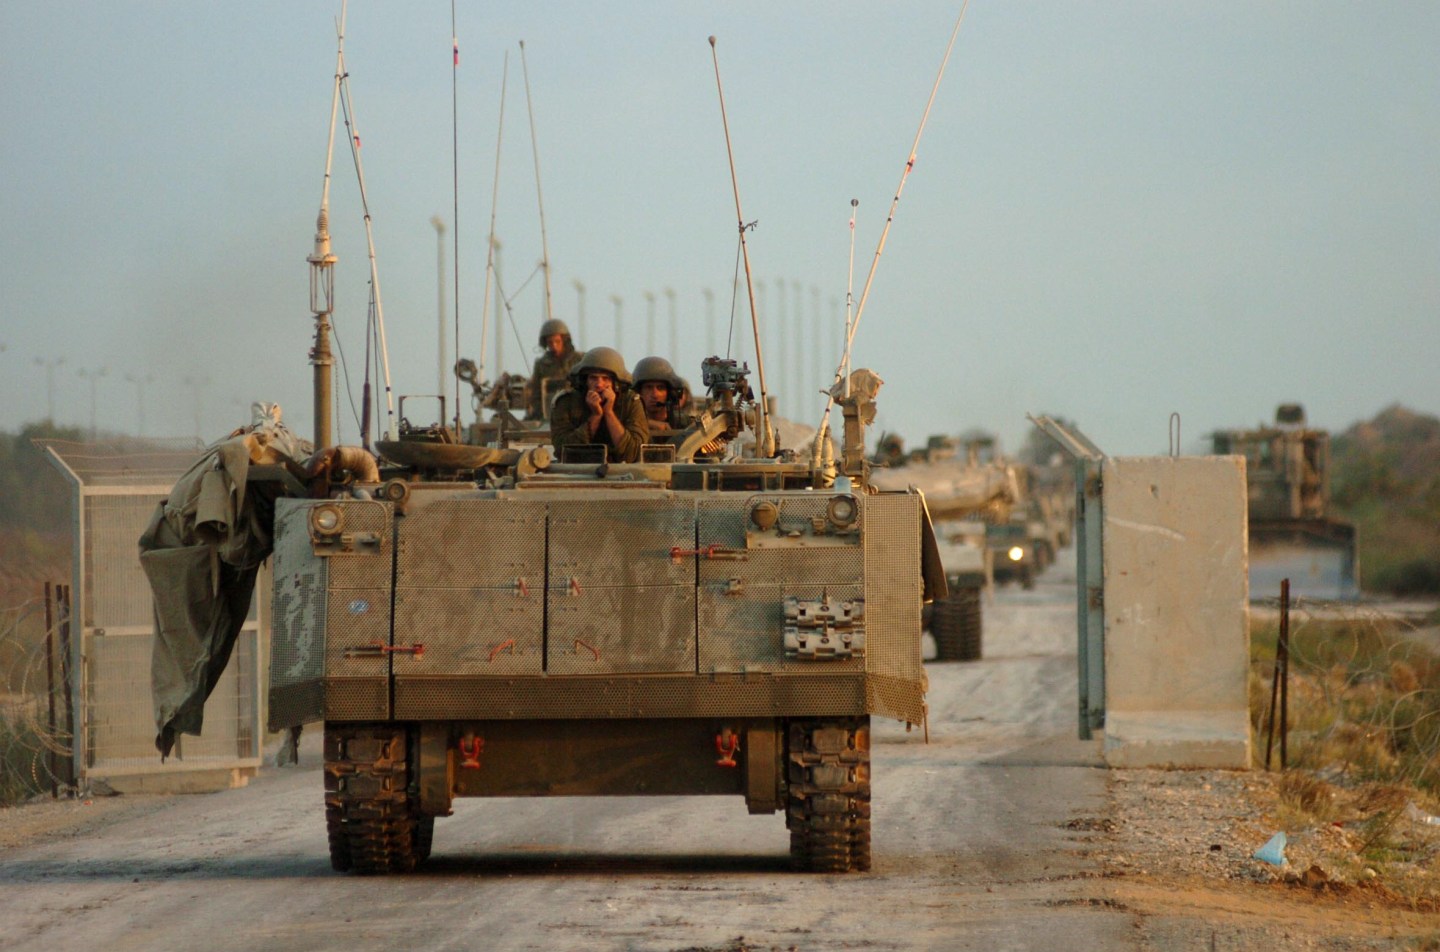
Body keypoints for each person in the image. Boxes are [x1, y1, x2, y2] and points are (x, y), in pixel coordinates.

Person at [550, 346, 649, 462]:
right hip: (578, 471)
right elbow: (563, 451)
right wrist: (596, 416)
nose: (599, 384)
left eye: (606, 379)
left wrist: (609, 412)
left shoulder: (631, 402)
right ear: (585, 381)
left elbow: (632, 453)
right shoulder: (567, 402)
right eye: (593, 378)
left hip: (624, 471)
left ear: (616, 383)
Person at [527, 318, 580, 420]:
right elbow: (536, 393)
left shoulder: (579, 360)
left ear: (564, 341)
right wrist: (539, 413)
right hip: (550, 413)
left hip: (575, 410)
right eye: (550, 342)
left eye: (557, 341)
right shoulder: (541, 365)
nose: (554, 346)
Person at [631, 355, 692, 434]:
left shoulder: (684, 423)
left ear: (670, 393)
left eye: (660, 388)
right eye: (649, 388)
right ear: (639, 392)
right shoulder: (628, 422)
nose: (654, 394)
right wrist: (648, 423)